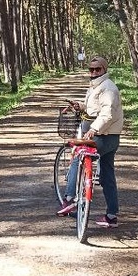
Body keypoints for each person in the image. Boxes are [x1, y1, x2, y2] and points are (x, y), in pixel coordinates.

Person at [56, 55, 123, 228]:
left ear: (104, 69)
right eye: (91, 69)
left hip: (103, 137)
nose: (93, 72)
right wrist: (80, 106)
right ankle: (111, 216)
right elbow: (94, 108)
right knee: (107, 174)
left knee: (78, 156)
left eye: (97, 69)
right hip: (108, 137)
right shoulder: (97, 86)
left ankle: (69, 198)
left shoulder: (108, 88)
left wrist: (94, 129)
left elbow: (107, 113)